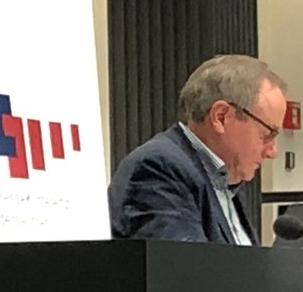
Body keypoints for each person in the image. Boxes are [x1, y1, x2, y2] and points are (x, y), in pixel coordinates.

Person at [108, 54, 289, 242]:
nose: (272, 151)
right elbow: (183, 259)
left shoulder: (222, 181)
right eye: (267, 134)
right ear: (220, 117)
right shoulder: (158, 168)